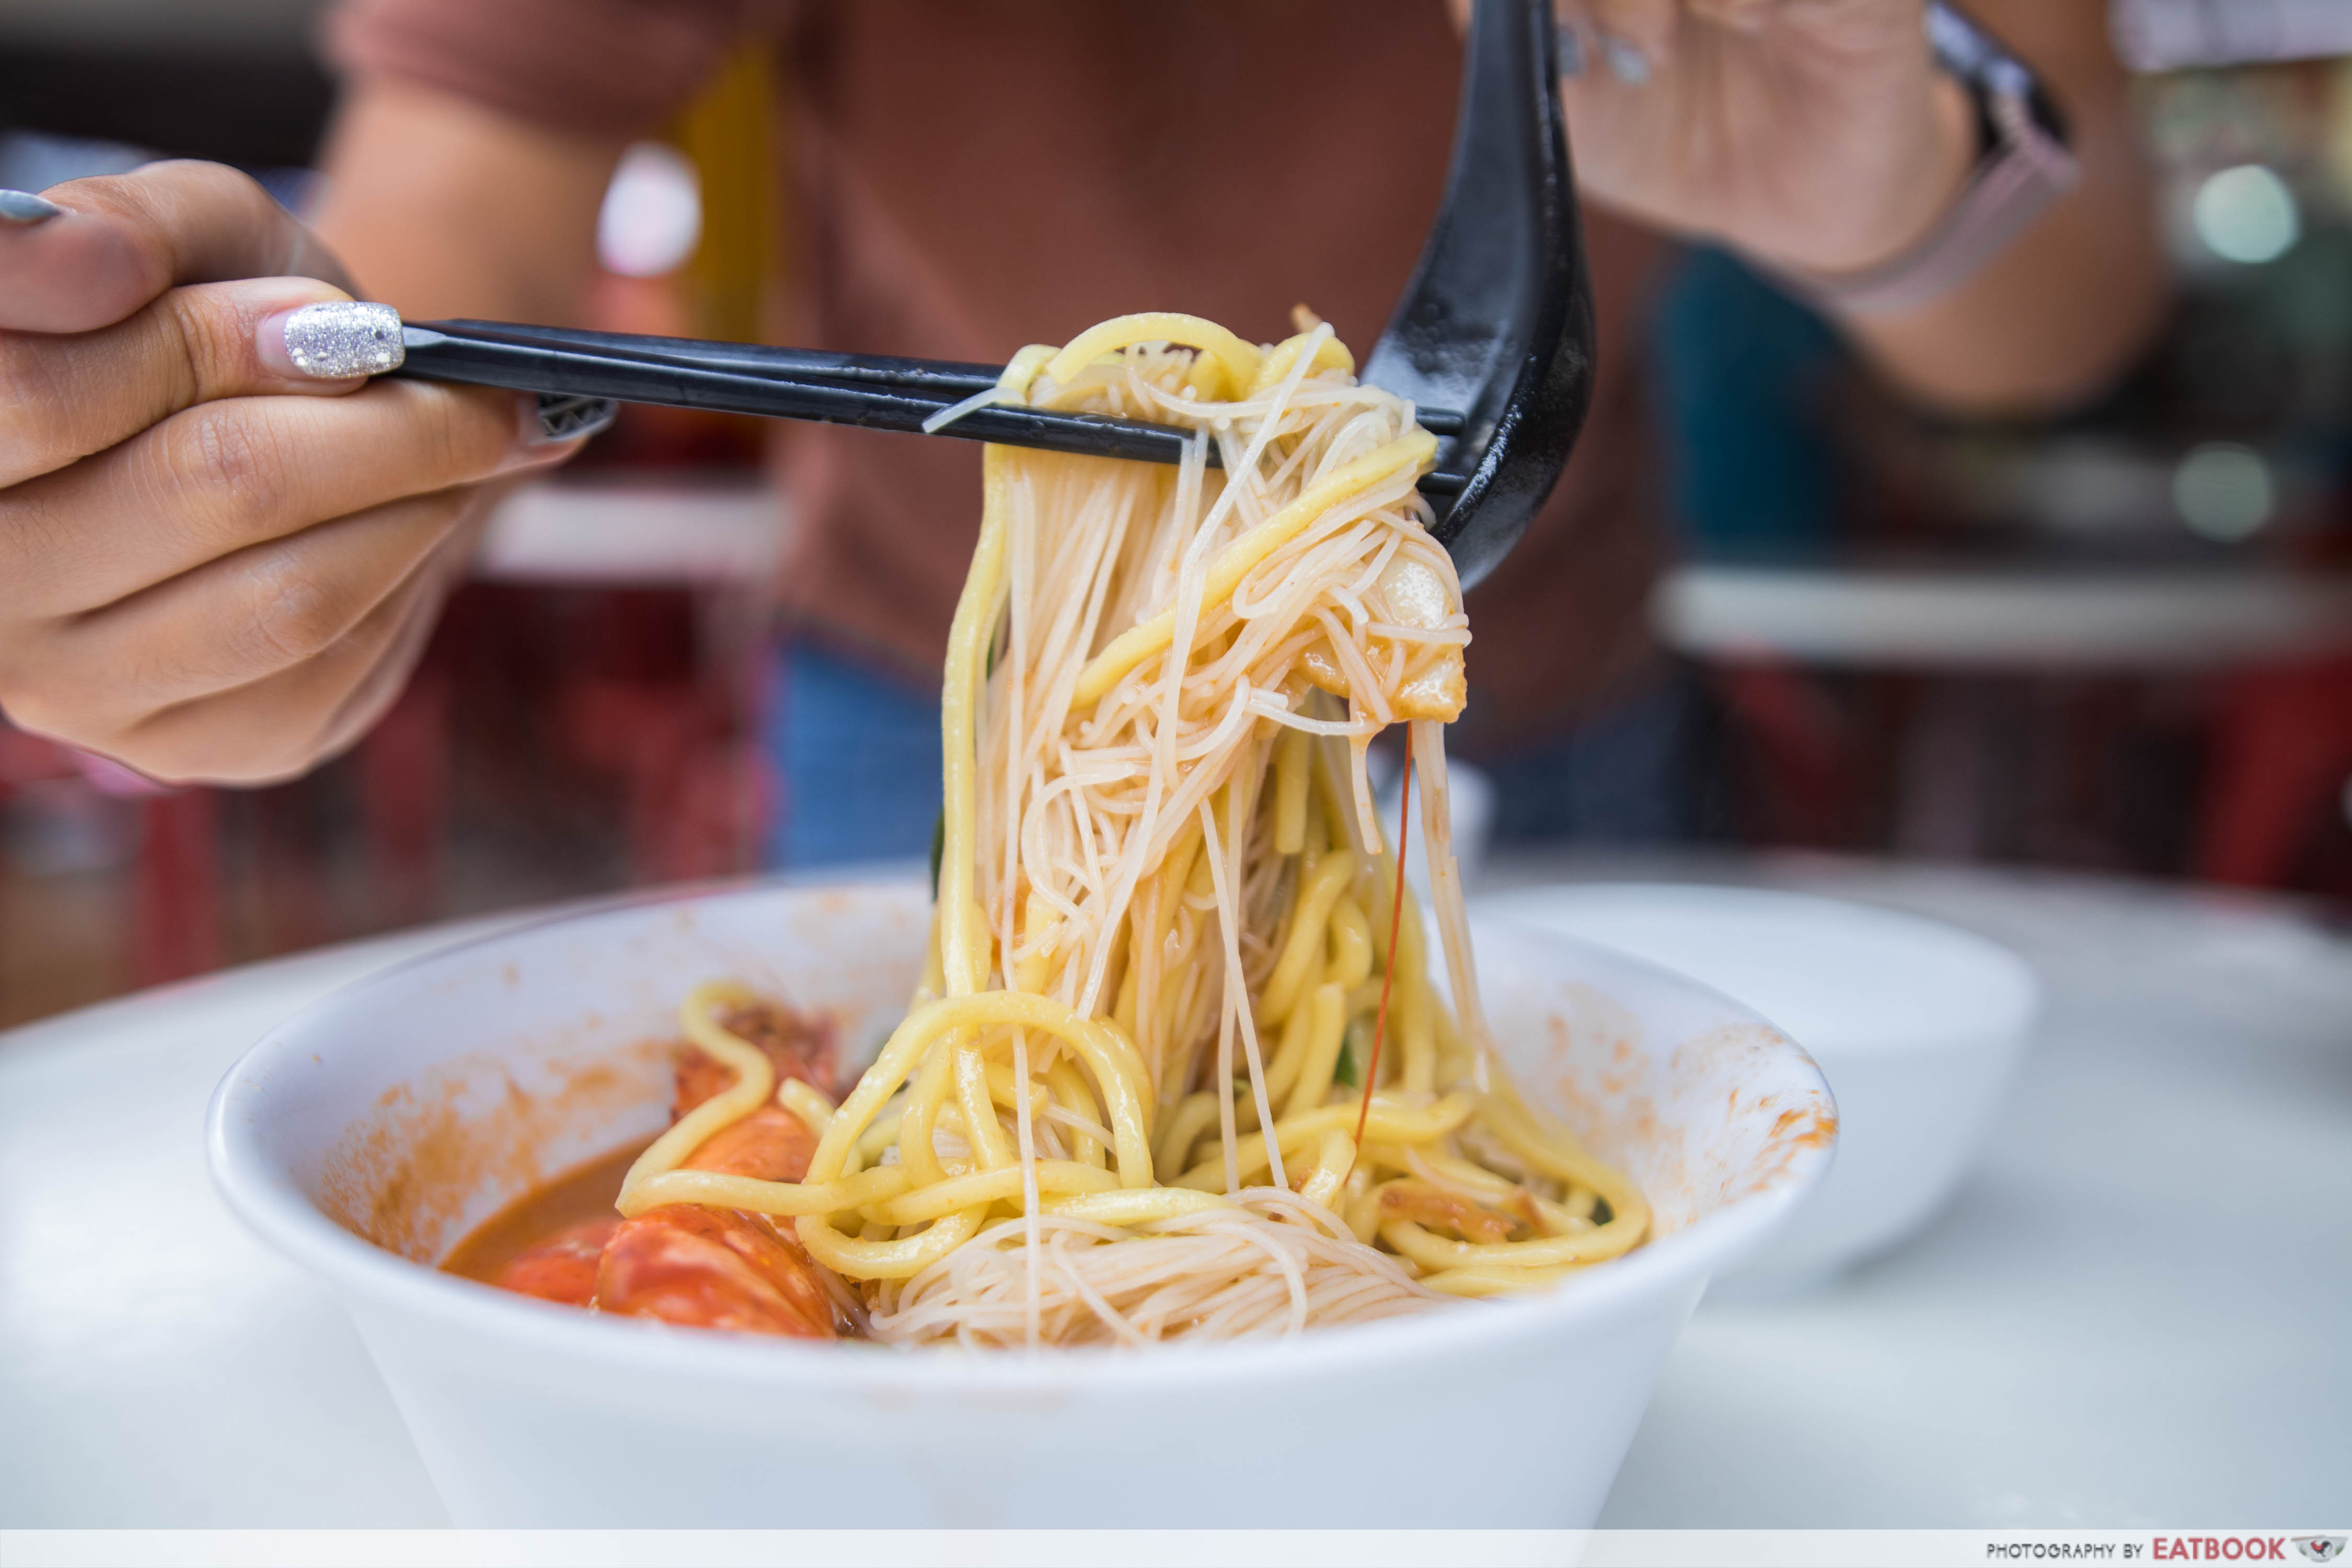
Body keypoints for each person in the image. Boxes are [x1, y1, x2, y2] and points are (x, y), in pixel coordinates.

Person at [0, 1, 2166, 867]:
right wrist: (231, 526)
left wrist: (1888, 193)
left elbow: (2061, 313)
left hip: (1535, 722)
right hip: (942, 742)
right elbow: (460, 202)